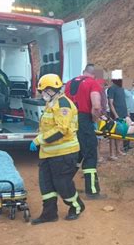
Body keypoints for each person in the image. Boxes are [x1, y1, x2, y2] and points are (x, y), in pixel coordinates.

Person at [29, 74, 85, 225]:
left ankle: (76, 206)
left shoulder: (63, 105)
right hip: (48, 152)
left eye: (44, 90)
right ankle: (49, 213)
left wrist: (39, 140)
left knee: (62, 184)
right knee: (46, 183)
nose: (42, 94)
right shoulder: (52, 104)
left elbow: (62, 129)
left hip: (64, 153)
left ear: (53, 89)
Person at [65, 64, 106, 200]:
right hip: (84, 121)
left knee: (76, 154)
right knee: (90, 154)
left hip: (70, 121)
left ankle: (62, 184)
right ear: (94, 75)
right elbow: (96, 106)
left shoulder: (69, 83)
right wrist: (95, 120)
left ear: (83, 72)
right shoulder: (92, 84)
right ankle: (92, 191)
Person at [107, 69, 128, 157]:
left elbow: (123, 101)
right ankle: (112, 154)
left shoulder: (122, 88)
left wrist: (127, 113)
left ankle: (118, 150)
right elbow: (110, 103)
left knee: (119, 132)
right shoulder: (111, 89)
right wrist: (115, 115)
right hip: (115, 115)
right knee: (112, 134)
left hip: (123, 113)